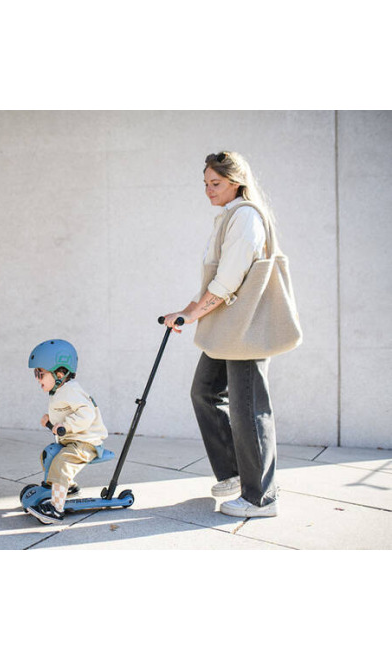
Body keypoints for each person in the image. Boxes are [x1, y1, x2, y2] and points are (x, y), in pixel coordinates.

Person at [162, 151, 280, 518]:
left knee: (249, 409)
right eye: (205, 183)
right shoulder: (228, 217)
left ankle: (261, 498)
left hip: (244, 329)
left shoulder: (246, 217)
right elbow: (214, 279)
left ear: (236, 182)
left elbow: (228, 281)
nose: (208, 190)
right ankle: (233, 473)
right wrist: (186, 310)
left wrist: (193, 315)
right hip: (227, 327)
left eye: (216, 183)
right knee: (204, 391)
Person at [26, 339, 108, 524]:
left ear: (60, 373)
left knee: (62, 463)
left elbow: (86, 414)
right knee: (48, 455)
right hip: (72, 440)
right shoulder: (60, 390)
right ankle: (68, 487)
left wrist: (66, 426)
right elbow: (66, 411)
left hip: (86, 442)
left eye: (40, 373)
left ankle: (56, 509)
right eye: (35, 374)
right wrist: (51, 420)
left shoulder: (71, 390)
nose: (37, 378)